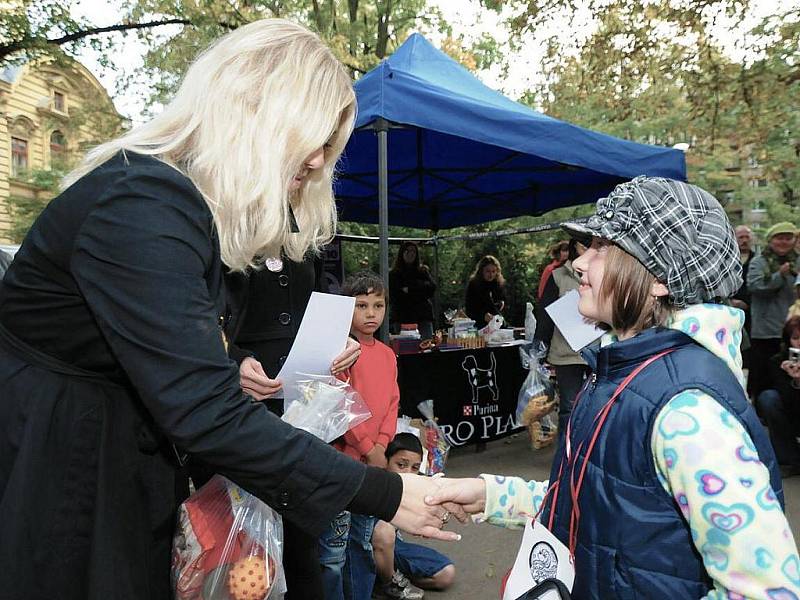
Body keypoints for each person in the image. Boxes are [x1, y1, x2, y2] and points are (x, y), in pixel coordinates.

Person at [0, 21, 463, 600]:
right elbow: (205, 411)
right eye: (314, 138)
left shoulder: (177, 203)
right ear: (254, 116)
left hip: (114, 452)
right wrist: (387, 492)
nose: (320, 161)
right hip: (64, 466)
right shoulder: (142, 202)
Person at [429, 177, 799, 598]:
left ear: (660, 277)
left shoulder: (688, 410)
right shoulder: (622, 369)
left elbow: (768, 590)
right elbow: (603, 503)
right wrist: (491, 496)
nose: (581, 263)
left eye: (603, 248)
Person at [319, 271, 400, 600]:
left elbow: (393, 401)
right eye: (361, 305)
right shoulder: (341, 353)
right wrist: (368, 447)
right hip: (344, 464)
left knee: (363, 542)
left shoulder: (387, 353)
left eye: (378, 305)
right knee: (333, 554)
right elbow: (340, 402)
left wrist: (382, 444)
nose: (371, 313)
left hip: (374, 464)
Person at [373, 433, 455, 600]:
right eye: (401, 465)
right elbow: (381, 536)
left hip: (394, 549)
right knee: (385, 531)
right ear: (385, 461)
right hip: (365, 549)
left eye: (415, 467)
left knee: (446, 574)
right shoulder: (373, 483)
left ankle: (384, 577)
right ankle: (387, 585)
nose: (408, 473)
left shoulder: (414, 485)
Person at [534, 238, 590, 436]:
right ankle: (567, 455)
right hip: (566, 352)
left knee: (600, 404)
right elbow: (546, 314)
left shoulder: (608, 273)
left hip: (600, 350)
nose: (588, 249)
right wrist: (539, 346)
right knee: (569, 406)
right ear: (575, 246)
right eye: (584, 245)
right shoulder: (558, 275)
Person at [747, 221, 799, 401]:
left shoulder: (798, 261)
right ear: (770, 240)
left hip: (793, 330)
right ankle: (762, 414)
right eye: (779, 238)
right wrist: (779, 276)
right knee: (763, 378)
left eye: (788, 238)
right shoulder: (759, 262)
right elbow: (754, 286)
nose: (784, 242)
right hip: (766, 331)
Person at [757, 317, 800, 478]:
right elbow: (788, 404)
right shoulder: (779, 362)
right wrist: (795, 381)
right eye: (795, 338)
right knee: (769, 398)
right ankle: (790, 460)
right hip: (791, 415)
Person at [389, 241, 436, 339]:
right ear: (402, 253)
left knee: (427, 344)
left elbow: (431, 288)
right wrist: (418, 290)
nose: (411, 254)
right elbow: (396, 294)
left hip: (422, 316)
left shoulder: (422, 271)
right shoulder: (395, 274)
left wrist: (410, 289)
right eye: (407, 251)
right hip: (403, 317)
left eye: (413, 252)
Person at [464, 255, 506, 325]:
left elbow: (499, 304)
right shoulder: (474, 285)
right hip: (478, 325)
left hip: (496, 323)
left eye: (493, 271)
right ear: (481, 271)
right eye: (488, 271)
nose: (491, 274)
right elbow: (470, 310)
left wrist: (500, 305)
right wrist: (483, 316)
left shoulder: (497, 284)